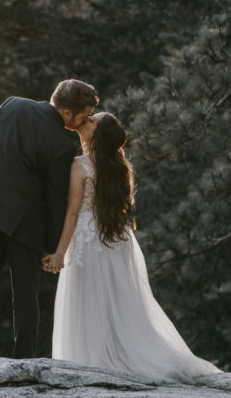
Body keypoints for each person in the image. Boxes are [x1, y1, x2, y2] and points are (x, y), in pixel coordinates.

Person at [43, 112, 221, 381]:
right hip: (116, 239)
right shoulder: (121, 167)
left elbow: (72, 213)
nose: (86, 120)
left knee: (90, 300)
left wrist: (59, 253)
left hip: (90, 240)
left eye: (92, 121)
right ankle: (116, 354)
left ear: (98, 135)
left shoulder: (80, 165)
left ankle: (94, 360)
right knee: (117, 300)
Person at [0, 79, 99, 358]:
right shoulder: (62, 143)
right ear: (68, 112)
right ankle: (24, 361)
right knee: (25, 297)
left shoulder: (13, 105)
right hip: (26, 226)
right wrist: (51, 245)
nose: (85, 120)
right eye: (84, 114)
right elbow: (56, 198)